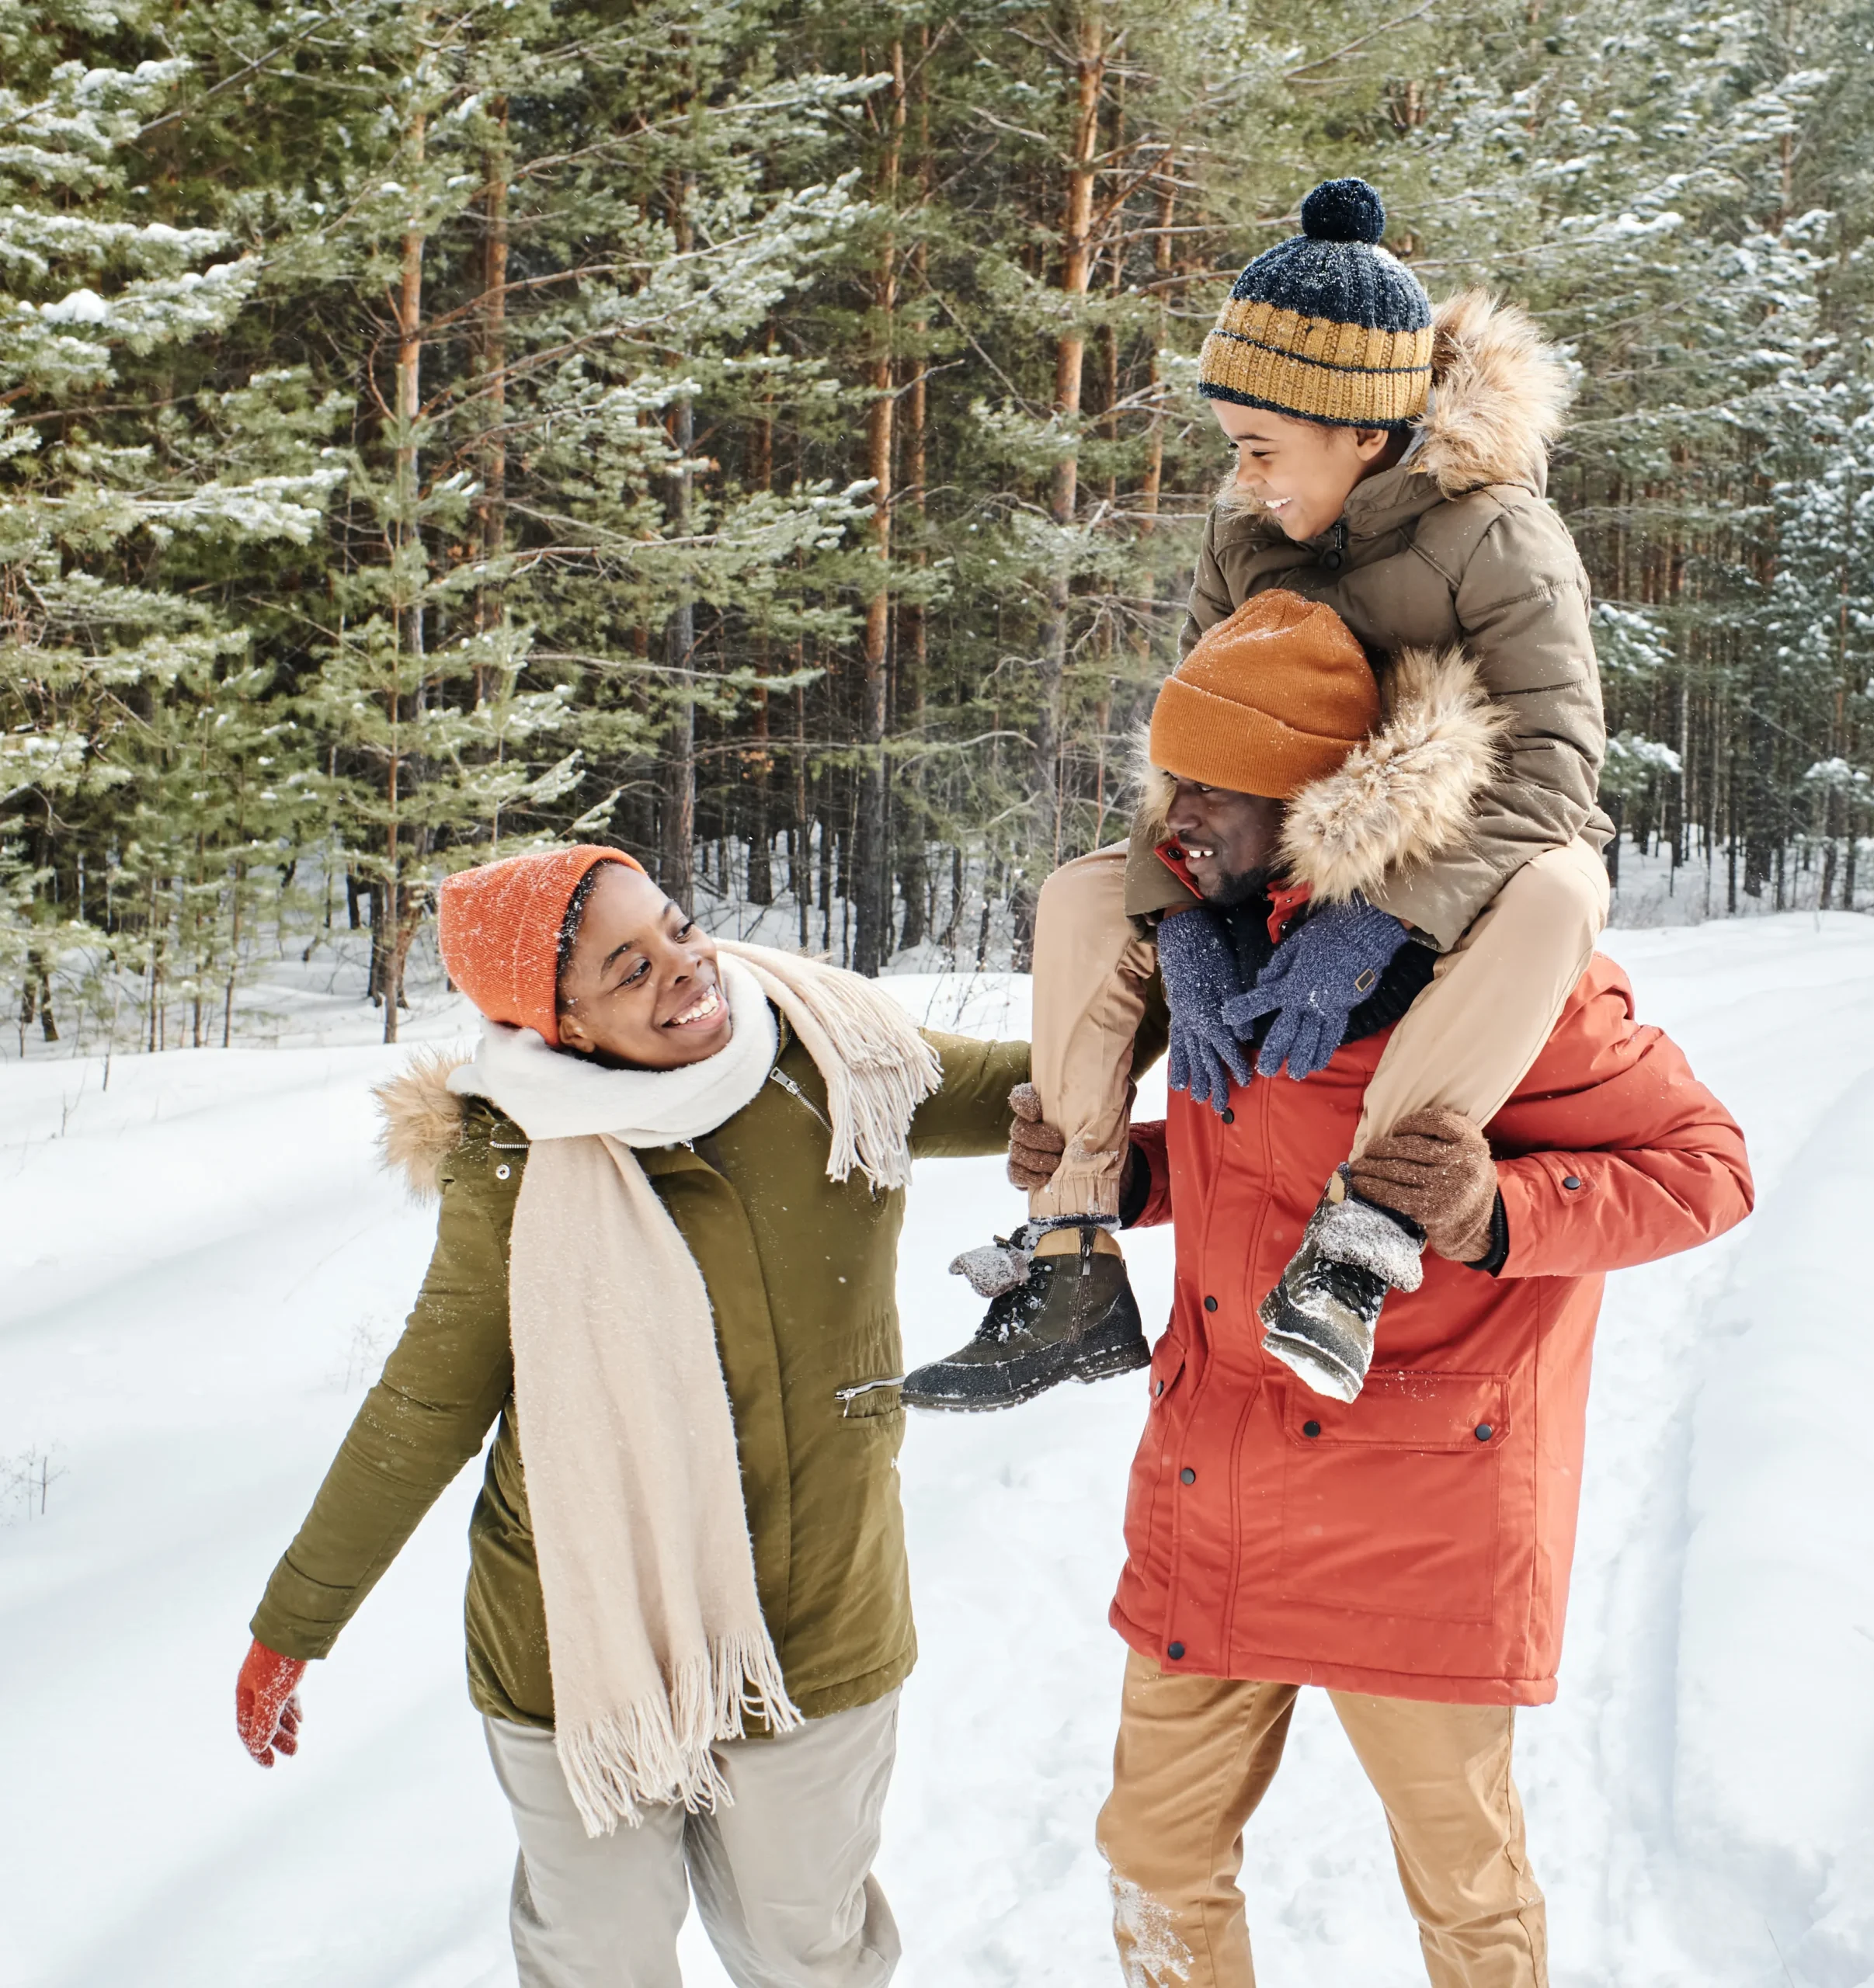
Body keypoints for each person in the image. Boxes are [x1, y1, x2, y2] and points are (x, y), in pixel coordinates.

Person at [1011, 648, 1753, 1985]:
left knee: (1464, 1894)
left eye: (1218, 789)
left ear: (1318, 800)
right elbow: (1260, 1165)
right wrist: (1131, 1171)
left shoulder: (1499, 976)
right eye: (1169, 777)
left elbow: (1709, 1171)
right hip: (1216, 1476)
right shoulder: (1199, 952)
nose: (1176, 814)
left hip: (1423, 1503)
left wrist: (1492, 1212)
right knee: (1154, 1859)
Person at [231, 846, 1027, 1988]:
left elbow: (1050, 1083)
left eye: (677, 928)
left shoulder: (831, 1058)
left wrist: (1200, 959)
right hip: (578, 1638)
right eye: (629, 968)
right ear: (559, 1027)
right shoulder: (513, 1152)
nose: (686, 969)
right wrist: (291, 1626)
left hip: (813, 1622)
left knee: (808, 1953)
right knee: (598, 1960)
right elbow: (427, 1400)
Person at [904, 172, 1612, 1413]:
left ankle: (1361, 1240)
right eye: (1236, 449)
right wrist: (1186, 920)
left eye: (1262, 448)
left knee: (1564, 889)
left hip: (1451, 853)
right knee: (1083, 899)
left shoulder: (1499, 537)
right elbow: (1194, 747)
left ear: (1360, 427)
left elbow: (1556, 766)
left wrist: (1384, 917)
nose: (1247, 479)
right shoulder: (1245, 537)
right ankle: (1071, 1257)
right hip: (1272, 848)